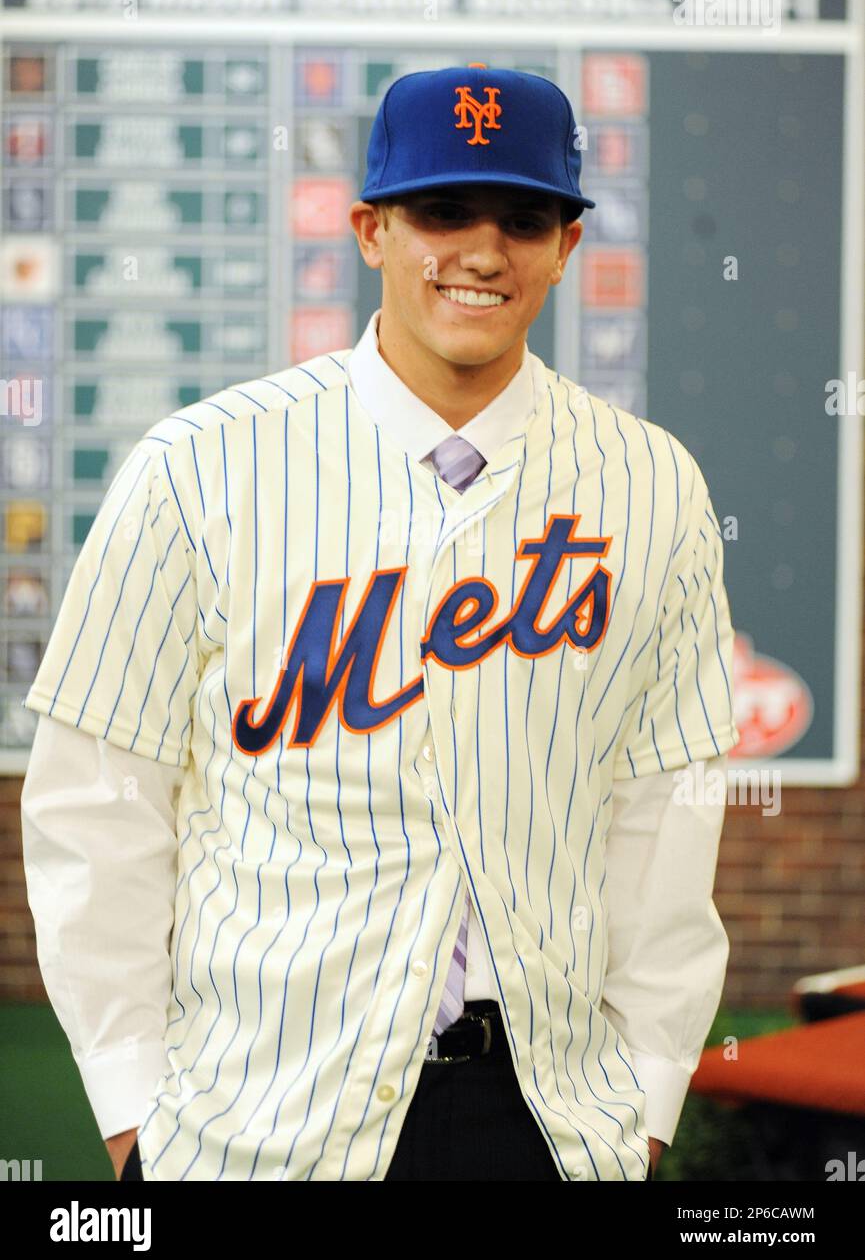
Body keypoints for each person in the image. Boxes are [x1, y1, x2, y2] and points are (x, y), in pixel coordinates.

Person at [20, 64, 739, 1182]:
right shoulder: (200, 467)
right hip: (259, 1112)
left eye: (524, 216)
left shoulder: (653, 485)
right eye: (442, 211)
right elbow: (95, 805)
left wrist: (639, 1112)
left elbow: (662, 818)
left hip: (544, 1114)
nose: (483, 250)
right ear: (370, 229)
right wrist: (133, 1111)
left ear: (566, 242)